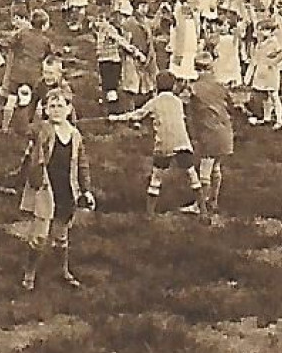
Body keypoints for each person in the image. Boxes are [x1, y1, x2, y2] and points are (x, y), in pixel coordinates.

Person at [19, 91, 93, 290]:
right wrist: (26, 108)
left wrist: (86, 190)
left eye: (61, 106)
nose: (57, 110)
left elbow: (82, 164)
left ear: (69, 109)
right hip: (46, 189)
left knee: (61, 235)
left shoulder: (75, 135)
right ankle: (29, 273)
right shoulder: (44, 129)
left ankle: (63, 270)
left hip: (66, 190)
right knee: (40, 237)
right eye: (52, 106)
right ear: (45, 110)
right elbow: (27, 130)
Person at [110, 72, 206, 219]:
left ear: (157, 85)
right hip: (182, 142)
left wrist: (116, 118)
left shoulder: (154, 102)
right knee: (192, 175)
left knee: (156, 178)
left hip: (164, 144)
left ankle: (149, 215)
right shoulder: (178, 101)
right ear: (173, 86)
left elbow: (136, 115)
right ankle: (203, 211)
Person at [187, 54, 236, 222]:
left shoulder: (194, 88)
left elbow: (183, 103)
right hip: (225, 132)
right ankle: (213, 200)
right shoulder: (221, 86)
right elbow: (233, 105)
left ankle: (201, 205)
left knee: (205, 170)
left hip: (208, 134)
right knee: (216, 168)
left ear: (196, 69)